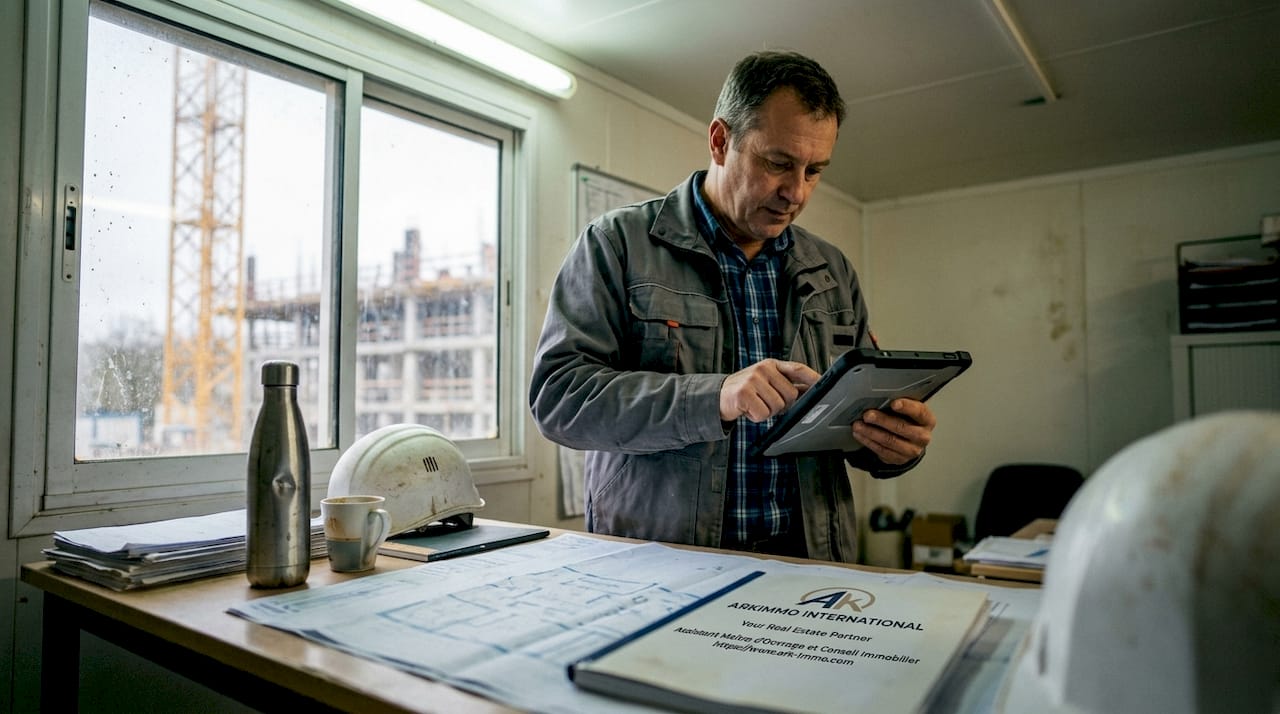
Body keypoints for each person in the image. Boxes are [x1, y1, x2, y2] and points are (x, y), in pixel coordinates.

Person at [529, 50, 937, 563]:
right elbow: (559, 399)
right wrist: (716, 396)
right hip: (663, 564)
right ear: (721, 141)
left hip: (808, 563)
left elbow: (851, 415)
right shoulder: (617, 244)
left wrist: (892, 445)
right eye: (778, 163)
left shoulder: (832, 271)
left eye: (815, 171)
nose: (796, 192)